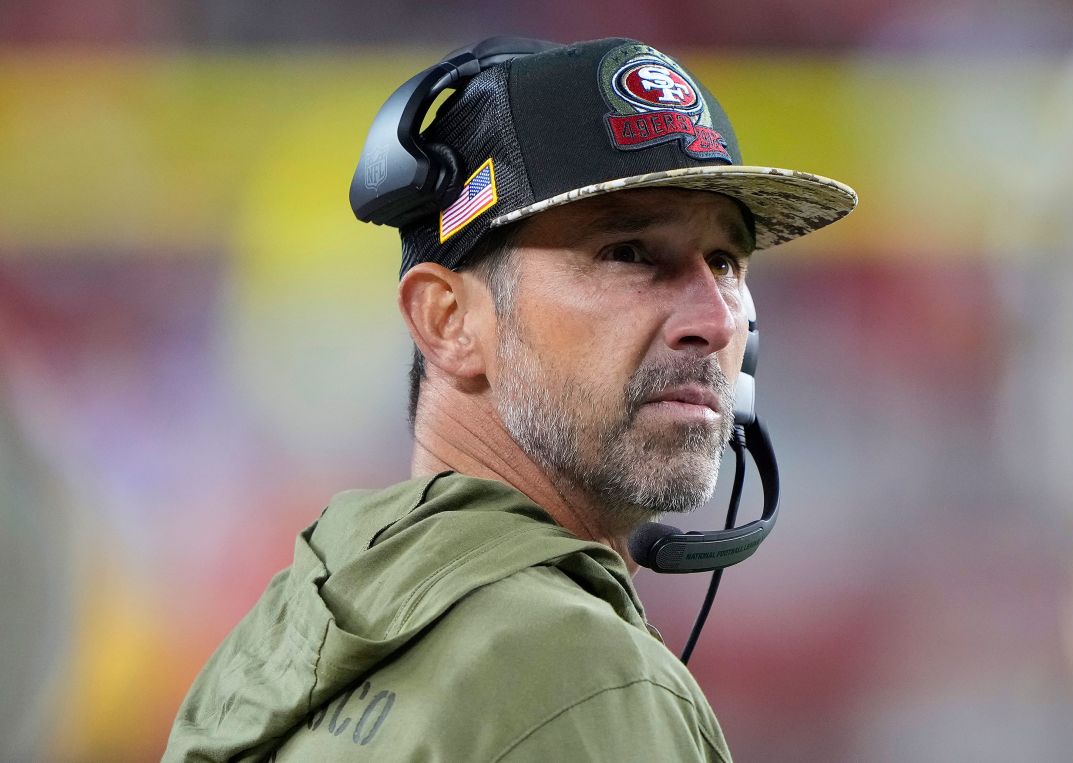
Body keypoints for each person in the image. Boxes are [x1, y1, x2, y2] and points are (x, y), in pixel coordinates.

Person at [164, 37, 856, 762]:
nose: (716, 321)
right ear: (449, 321)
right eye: (628, 252)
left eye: (725, 262)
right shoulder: (592, 681)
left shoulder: (268, 646)